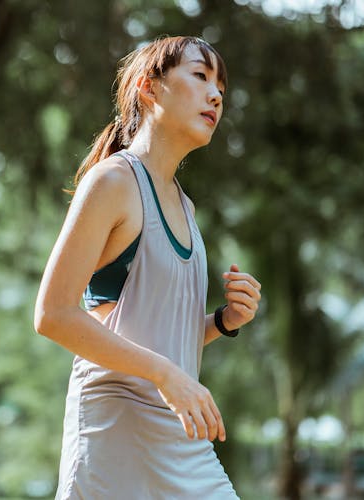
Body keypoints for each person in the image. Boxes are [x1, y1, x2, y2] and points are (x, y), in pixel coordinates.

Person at [34, 35, 262, 499]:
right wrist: (166, 375)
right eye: (200, 76)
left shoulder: (186, 207)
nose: (216, 95)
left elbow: (153, 331)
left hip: (178, 436)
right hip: (114, 432)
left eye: (220, 85)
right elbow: (53, 315)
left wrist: (222, 321)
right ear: (149, 88)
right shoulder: (112, 181)